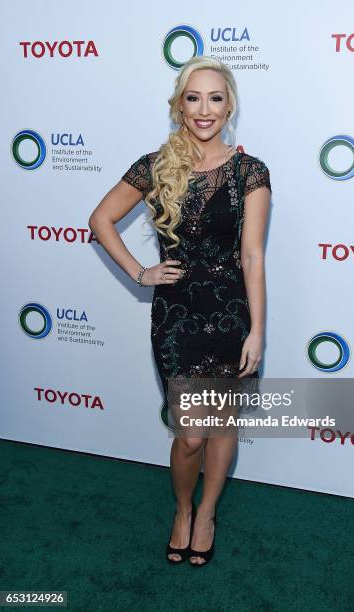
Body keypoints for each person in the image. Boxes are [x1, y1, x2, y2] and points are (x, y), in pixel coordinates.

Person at [88, 55, 272, 566]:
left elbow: (252, 255)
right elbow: (100, 218)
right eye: (194, 98)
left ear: (229, 105)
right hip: (177, 317)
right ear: (179, 106)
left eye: (215, 98)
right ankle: (182, 508)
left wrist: (257, 329)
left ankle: (207, 512)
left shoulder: (249, 172)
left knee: (221, 425)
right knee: (190, 433)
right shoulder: (154, 166)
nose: (204, 109)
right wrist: (139, 272)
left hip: (231, 313)